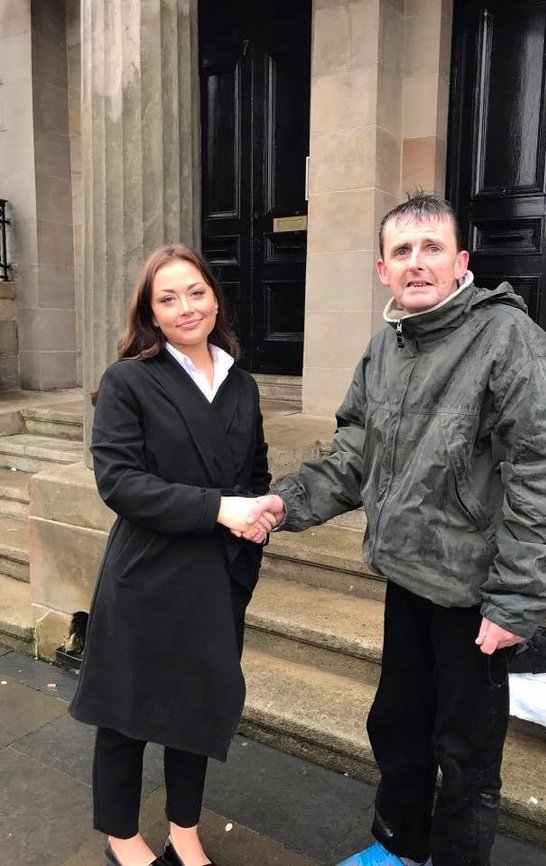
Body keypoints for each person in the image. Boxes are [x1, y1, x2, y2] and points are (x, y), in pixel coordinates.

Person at [245, 193, 546, 866]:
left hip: (474, 596)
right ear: (383, 270)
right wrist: (283, 503)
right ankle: (400, 847)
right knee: (398, 727)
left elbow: (544, 479)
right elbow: (352, 457)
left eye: (432, 248)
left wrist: (517, 601)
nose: (417, 262)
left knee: (465, 757)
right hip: (407, 577)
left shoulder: (508, 341)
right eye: (402, 251)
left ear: (461, 261)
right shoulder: (385, 348)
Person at [70, 245, 273, 866]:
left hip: (218, 572)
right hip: (149, 570)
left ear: (215, 299)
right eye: (168, 298)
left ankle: (184, 831)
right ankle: (121, 836)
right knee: (126, 709)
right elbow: (119, 482)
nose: (186, 307)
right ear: (150, 314)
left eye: (196, 292)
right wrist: (219, 509)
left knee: (198, 706)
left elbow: (256, 471)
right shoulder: (129, 379)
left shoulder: (241, 383)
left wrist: (261, 515)